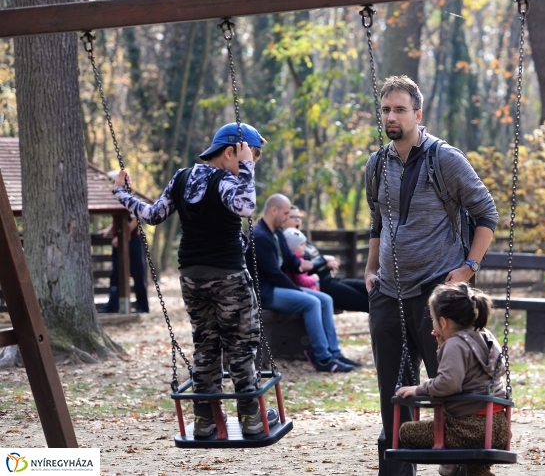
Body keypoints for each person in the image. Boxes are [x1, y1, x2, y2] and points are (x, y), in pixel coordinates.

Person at [365, 75, 498, 475]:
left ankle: (459, 468)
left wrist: (469, 267)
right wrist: (371, 268)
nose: (391, 117)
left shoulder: (445, 159)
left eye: (400, 110)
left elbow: (487, 213)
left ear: (418, 114)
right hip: (388, 293)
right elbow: (378, 221)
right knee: (394, 396)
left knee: (452, 391)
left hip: (437, 293)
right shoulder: (376, 164)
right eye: (386, 110)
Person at [111, 122, 276, 437]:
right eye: (250, 157)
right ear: (230, 153)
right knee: (240, 345)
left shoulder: (182, 177)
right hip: (227, 276)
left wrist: (121, 193)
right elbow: (246, 206)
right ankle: (251, 418)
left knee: (206, 344)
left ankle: (204, 419)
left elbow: (153, 215)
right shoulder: (228, 180)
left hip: (191, 276)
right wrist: (246, 169)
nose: (250, 165)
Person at [396, 283, 510, 476]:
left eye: (433, 319)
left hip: (469, 430)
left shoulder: (455, 345)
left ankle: (450, 459)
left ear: (443, 322)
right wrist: (443, 348)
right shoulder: (486, 337)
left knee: (407, 431)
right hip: (498, 428)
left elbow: (448, 384)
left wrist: (419, 389)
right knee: (477, 473)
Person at [251, 194, 361, 372]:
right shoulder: (260, 236)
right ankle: (322, 358)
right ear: (273, 211)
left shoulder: (277, 233)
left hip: (278, 287)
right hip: (267, 292)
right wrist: (298, 290)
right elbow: (274, 274)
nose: (288, 218)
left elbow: (294, 263)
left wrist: (321, 262)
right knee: (311, 302)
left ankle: (334, 353)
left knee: (325, 299)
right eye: (286, 213)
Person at [285, 205, 369, 313]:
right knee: (366, 302)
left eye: (299, 217)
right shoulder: (288, 244)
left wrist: (327, 265)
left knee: (369, 288)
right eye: (293, 217)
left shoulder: (302, 240)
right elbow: (304, 269)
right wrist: (324, 259)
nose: (297, 220)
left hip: (329, 279)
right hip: (320, 286)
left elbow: (314, 261)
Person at [98, 212, 149, 313]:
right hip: (119, 241)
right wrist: (109, 230)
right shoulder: (116, 203)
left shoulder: (130, 204)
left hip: (132, 241)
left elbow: (135, 219)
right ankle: (113, 305)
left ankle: (142, 306)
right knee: (115, 275)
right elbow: (118, 219)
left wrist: (122, 236)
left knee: (138, 274)